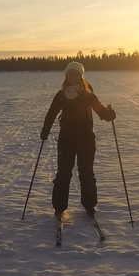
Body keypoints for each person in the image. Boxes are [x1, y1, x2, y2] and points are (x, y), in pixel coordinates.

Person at [40, 61, 116, 217]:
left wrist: (109, 114)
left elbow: (101, 112)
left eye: (76, 74)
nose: (73, 76)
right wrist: (45, 130)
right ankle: (59, 207)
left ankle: (89, 205)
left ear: (81, 77)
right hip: (66, 140)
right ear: (66, 76)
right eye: (70, 74)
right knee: (63, 173)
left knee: (86, 173)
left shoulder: (88, 95)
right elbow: (51, 114)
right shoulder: (61, 95)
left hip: (86, 139)